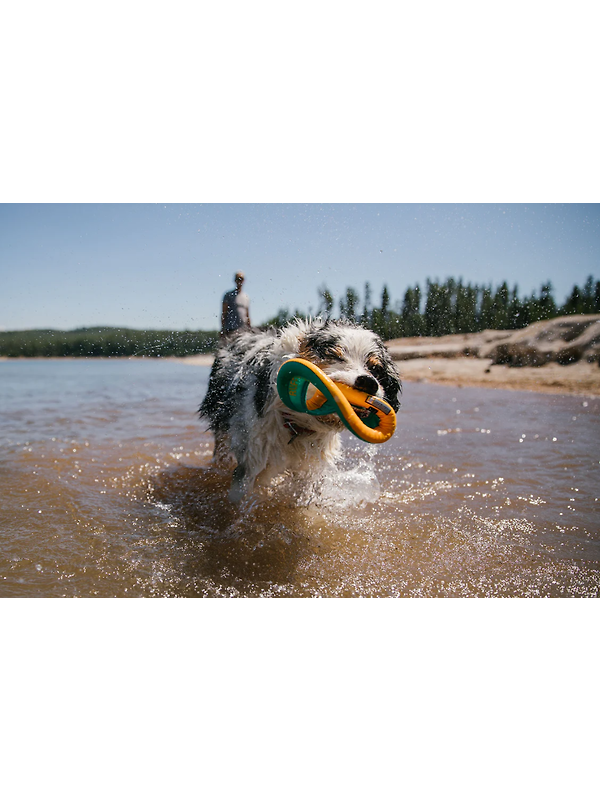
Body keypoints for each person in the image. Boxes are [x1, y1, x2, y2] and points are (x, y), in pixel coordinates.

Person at [221, 271, 251, 339]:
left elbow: (247, 315)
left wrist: (250, 328)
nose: (239, 281)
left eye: (241, 279)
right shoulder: (228, 295)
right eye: (238, 279)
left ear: (244, 281)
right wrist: (223, 329)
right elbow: (224, 313)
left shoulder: (246, 297)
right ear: (235, 280)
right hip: (231, 329)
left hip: (243, 330)